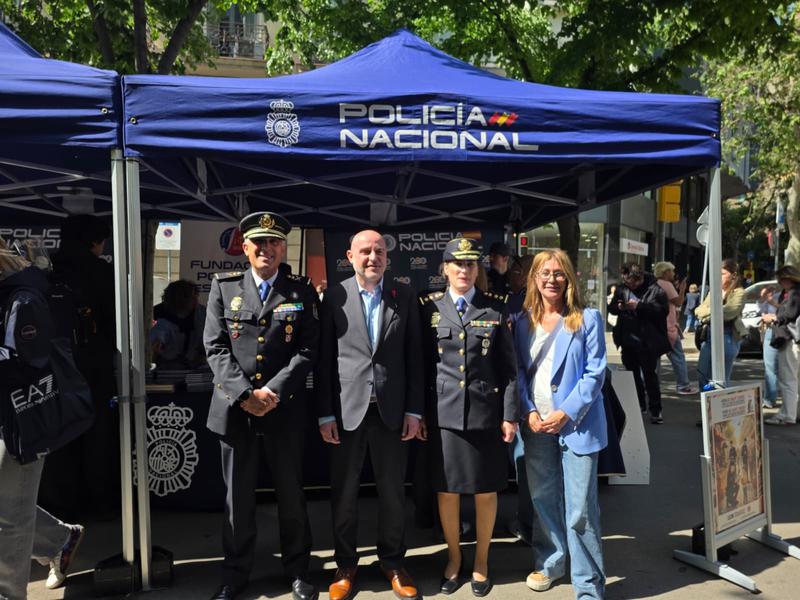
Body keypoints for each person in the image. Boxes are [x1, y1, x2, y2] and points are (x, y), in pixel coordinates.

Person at [203, 212, 319, 600]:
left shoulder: (300, 290)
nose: (267, 249)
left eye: (274, 243)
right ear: (246, 248)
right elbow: (215, 348)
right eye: (259, 243)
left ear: (283, 248)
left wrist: (270, 392)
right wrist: (245, 396)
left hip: (283, 410)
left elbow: (308, 349)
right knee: (238, 501)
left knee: (291, 495)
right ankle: (235, 575)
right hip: (235, 411)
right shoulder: (224, 287)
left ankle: (299, 570)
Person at [316, 230, 423, 600]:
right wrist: (325, 414)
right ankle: (346, 564)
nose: (372, 257)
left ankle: (393, 562)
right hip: (346, 414)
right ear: (350, 255)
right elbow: (325, 361)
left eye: (379, 251)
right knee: (344, 495)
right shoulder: (334, 297)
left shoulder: (405, 297)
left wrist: (414, 410)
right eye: (365, 251)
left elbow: (415, 358)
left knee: (393, 493)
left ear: (387, 259)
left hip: (392, 413)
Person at [419, 238, 518, 597]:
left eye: (471, 265)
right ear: (444, 268)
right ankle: (454, 558)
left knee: (485, 492)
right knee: (446, 492)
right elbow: (420, 366)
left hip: (485, 414)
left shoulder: (495, 308)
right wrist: (419, 413)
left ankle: (482, 561)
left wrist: (509, 415)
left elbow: (508, 368)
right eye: (457, 264)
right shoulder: (427, 307)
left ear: (479, 270)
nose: (464, 270)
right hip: (443, 415)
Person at [513, 249, 607, 598]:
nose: (552, 279)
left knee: (580, 507)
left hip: (577, 425)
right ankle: (550, 562)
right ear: (534, 278)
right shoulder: (522, 322)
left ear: (569, 279)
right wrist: (528, 410)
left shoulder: (587, 318)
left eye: (559, 273)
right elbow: (519, 373)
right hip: (537, 425)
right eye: (545, 273)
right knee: (543, 497)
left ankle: (587, 584)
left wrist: (565, 412)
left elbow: (595, 373)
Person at [0, 240, 85, 599]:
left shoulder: (23, 298)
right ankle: (60, 539)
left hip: (20, 420)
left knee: (9, 520)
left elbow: (29, 361)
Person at [39, 214, 118, 519]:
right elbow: (115, 324)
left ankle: (58, 504)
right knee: (97, 435)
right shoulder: (101, 272)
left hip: (50, 368)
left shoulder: (46, 270)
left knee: (58, 436)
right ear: (95, 241)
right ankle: (98, 502)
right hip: (93, 368)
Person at [607, 263, 670, 424]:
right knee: (632, 376)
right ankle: (639, 405)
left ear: (640, 278)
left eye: (633, 282)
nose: (631, 286)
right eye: (627, 282)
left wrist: (640, 306)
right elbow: (612, 308)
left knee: (650, 376)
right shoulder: (622, 289)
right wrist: (619, 307)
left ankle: (656, 410)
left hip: (648, 341)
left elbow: (662, 312)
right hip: (628, 339)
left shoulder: (656, 289)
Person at [506, 254, 534, 544]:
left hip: (524, 400)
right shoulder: (514, 302)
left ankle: (528, 524)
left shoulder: (517, 305)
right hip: (525, 399)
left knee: (525, 464)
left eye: (516, 271)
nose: (512, 275)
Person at [695, 259, 746, 390]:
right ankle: (706, 404)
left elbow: (728, 313)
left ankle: (717, 407)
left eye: (722, 273)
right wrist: (715, 311)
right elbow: (699, 310)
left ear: (733, 275)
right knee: (702, 375)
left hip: (727, 335)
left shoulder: (739, 292)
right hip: (709, 336)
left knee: (720, 379)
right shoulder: (714, 291)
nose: (719, 277)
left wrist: (711, 312)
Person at [762, 265, 800, 425]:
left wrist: (773, 318)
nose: (780, 282)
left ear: (788, 279)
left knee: (788, 379)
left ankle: (787, 415)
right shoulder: (794, 292)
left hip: (790, 339)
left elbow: (789, 314)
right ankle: (793, 413)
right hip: (793, 339)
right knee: (794, 379)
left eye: (781, 279)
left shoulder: (794, 293)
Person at [654, 262, 697, 395]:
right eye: (672, 271)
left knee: (654, 358)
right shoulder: (667, 284)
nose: (673, 274)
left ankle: (650, 385)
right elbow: (678, 301)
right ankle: (683, 385)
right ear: (665, 272)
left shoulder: (655, 284)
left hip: (656, 327)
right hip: (669, 327)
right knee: (678, 356)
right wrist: (682, 289)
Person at [150, 279, 206, 370]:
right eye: (191, 298)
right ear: (177, 298)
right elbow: (153, 343)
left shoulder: (201, 314)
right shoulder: (155, 313)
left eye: (196, 297)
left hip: (195, 366)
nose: (196, 301)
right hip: (163, 367)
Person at [758, 284, 781, 408]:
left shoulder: (792, 295)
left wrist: (775, 316)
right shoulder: (772, 296)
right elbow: (762, 311)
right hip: (771, 331)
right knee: (770, 368)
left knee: (790, 370)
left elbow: (790, 312)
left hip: (787, 331)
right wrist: (763, 299)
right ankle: (769, 399)